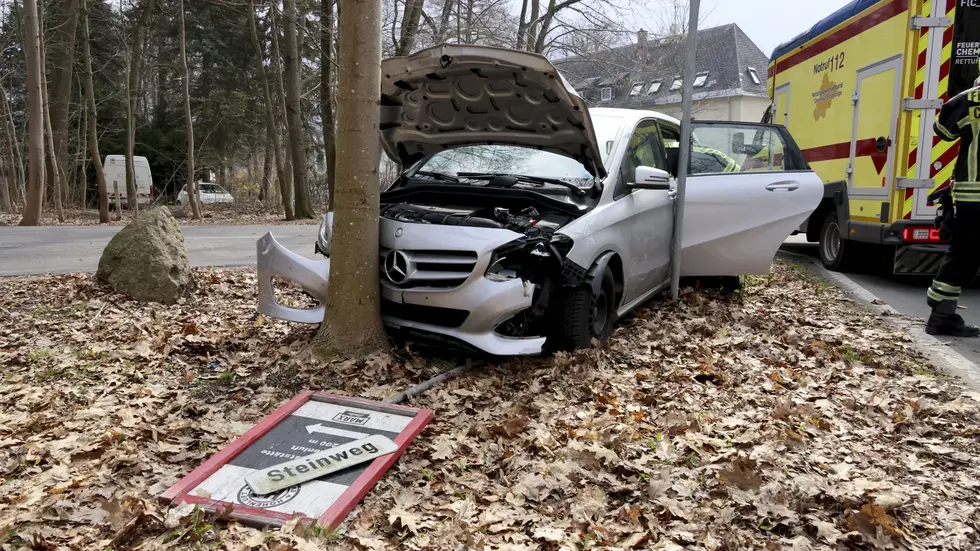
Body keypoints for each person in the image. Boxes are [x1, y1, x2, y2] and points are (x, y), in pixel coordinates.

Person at [924, 68, 980, 337]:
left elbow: (943, 130)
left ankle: (941, 315)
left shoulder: (968, 100)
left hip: (970, 199)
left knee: (961, 256)